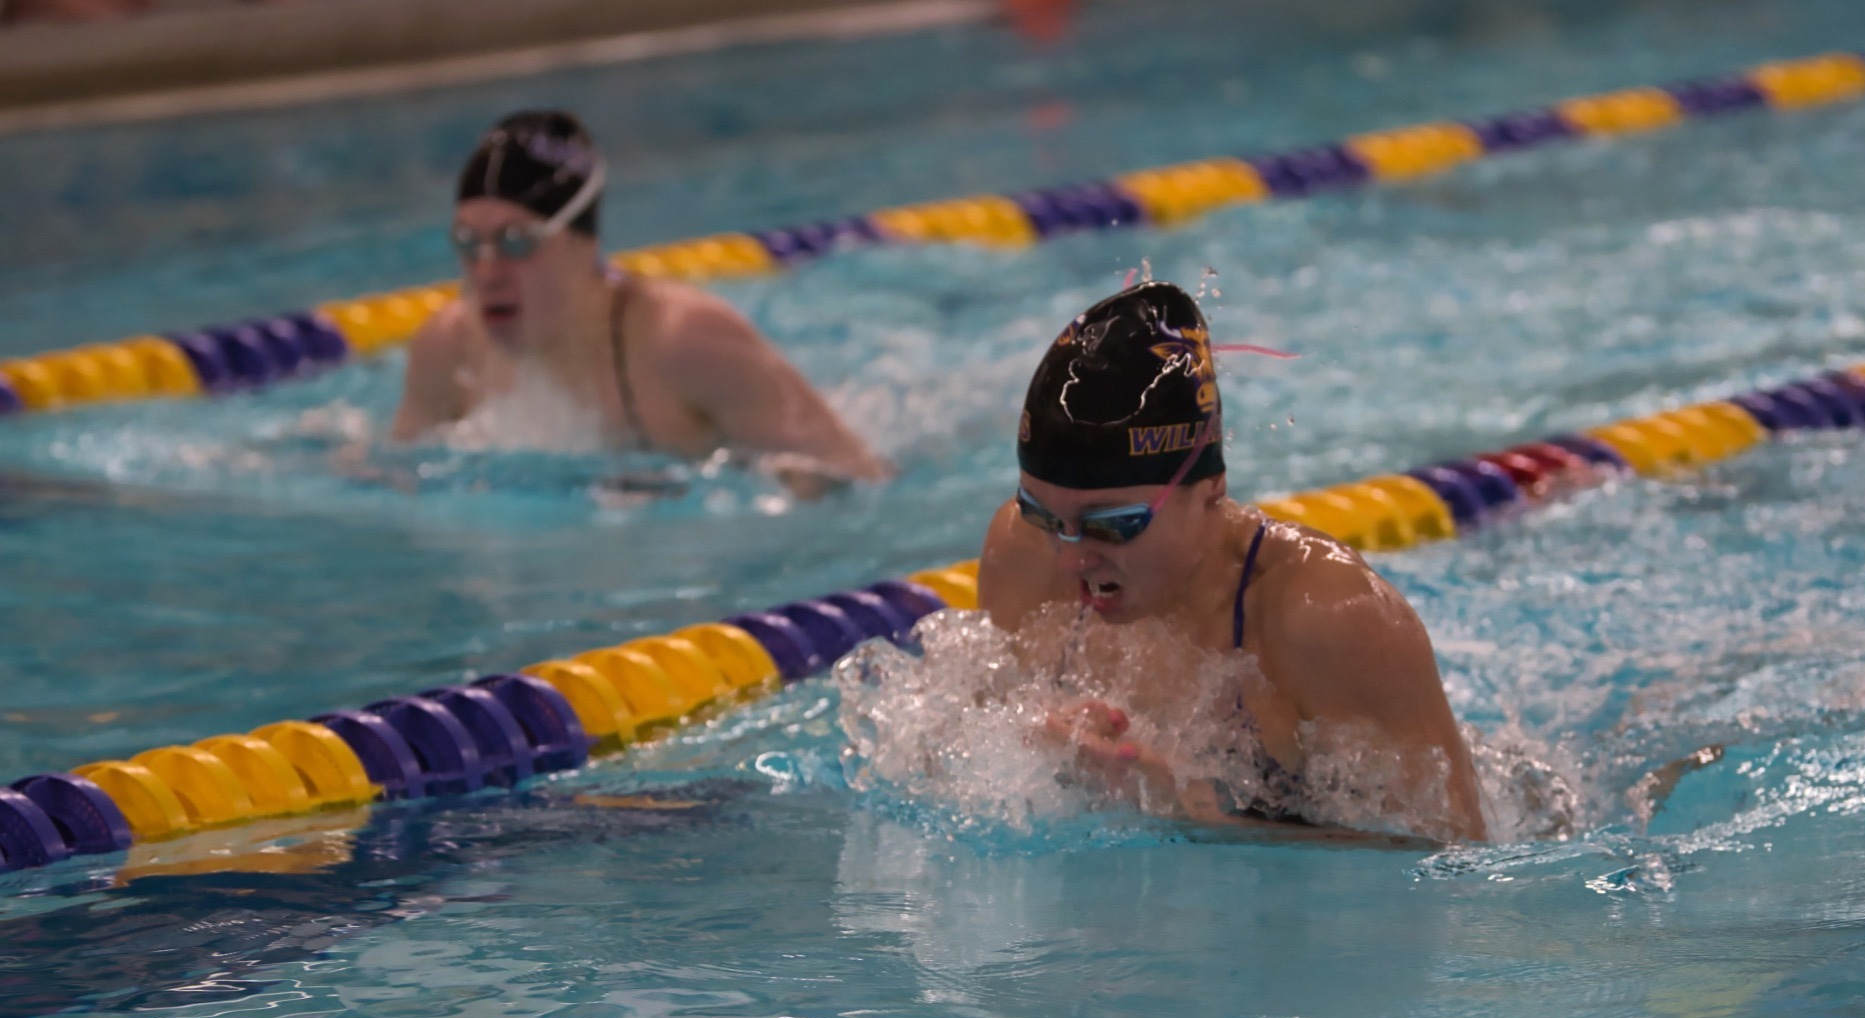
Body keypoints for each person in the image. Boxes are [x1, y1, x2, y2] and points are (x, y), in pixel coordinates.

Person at [976, 280, 1487, 842]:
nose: (1070, 558)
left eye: (1112, 524)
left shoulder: (1327, 617)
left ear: (1211, 489)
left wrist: (1208, 824)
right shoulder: (1019, 550)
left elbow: (1452, 862)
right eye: (1044, 515)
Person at [393, 110, 890, 495]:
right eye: (468, 242)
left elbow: (852, 472)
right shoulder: (448, 348)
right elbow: (391, 477)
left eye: (517, 241)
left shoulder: (687, 341)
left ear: (581, 245)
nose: (487, 270)